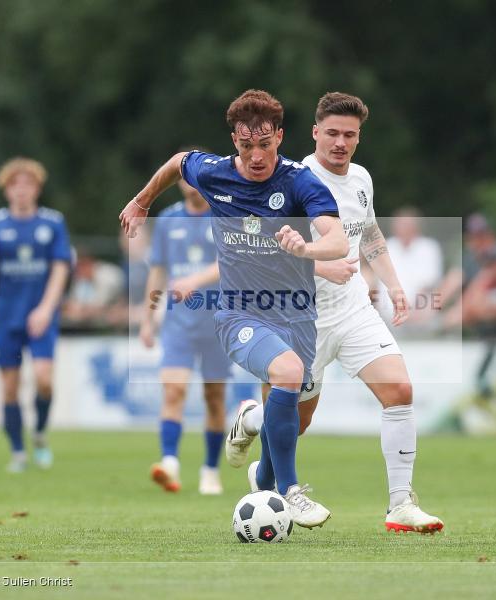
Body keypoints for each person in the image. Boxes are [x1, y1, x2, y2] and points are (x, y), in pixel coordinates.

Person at [119, 89, 348, 528]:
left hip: (298, 315)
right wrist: (143, 201)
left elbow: (337, 240)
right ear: (234, 141)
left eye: (265, 144)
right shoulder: (215, 173)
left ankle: (258, 457)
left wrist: (308, 248)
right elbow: (178, 161)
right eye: (246, 146)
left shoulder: (300, 182)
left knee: (296, 419)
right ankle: (292, 491)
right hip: (239, 314)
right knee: (286, 372)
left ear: (280, 136)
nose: (256, 155)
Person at [223, 92, 443, 534]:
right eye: (333, 134)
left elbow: (370, 230)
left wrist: (394, 284)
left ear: (359, 138)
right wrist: (320, 262)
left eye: (350, 135)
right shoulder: (291, 181)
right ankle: (251, 420)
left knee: (399, 390)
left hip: (354, 309)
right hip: (300, 316)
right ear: (314, 133)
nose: (341, 143)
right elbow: (262, 250)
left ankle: (400, 504)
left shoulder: (361, 178)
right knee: (295, 423)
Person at [0, 157, 72, 473]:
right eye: (16, 185)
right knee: (10, 388)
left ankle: (39, 432)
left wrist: (45, 308)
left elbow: (60, 268)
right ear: (7, 190)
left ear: (38, 189)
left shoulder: (53, 223)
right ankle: (17, 451)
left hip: (41, 318)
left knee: (44, 381)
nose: (22, 191)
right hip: (7, 319)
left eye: (28, 185)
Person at [140, 177, 231, 495]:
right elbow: (158, 270)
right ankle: (170, 463)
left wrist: (195, 280)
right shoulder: (167, 219)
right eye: (183, 179)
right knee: (174, 390)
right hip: (178, 322)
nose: (190, 185)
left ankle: (210, 469)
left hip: (218, 321)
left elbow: (231, 262)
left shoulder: (224, 215)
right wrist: (148, 316)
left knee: (214, 397)